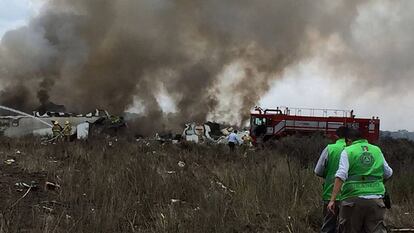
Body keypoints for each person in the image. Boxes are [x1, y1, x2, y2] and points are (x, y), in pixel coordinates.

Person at [328, 128, 393, 233]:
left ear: (349, 140)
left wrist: (332, 200)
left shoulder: (348, 151)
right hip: (376, 200)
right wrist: (379, 184)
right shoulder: (376, 150)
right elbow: (388, 173)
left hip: (352, 200)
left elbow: (341, 175)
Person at [314, 126, 349, 233]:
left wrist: (328, 174)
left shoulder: (330, 148)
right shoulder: (353, 149)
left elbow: (318, 171)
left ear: (336, 136)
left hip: (330, 194)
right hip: (350, 195)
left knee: (328, 226)